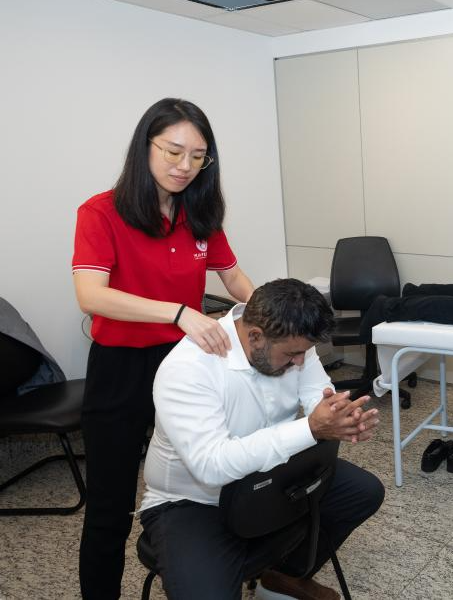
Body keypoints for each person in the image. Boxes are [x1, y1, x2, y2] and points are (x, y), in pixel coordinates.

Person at [72, 98, 256, 599]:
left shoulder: (200, 212)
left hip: (184, 365)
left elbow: (234, 277)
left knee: (215, 477)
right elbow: (91, 295)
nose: (185, 166)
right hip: (122, 367)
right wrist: (178, 312)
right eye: (174, 151)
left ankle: (219, 570)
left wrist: (275, 313)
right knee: (110, 504)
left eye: (198, 156)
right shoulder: (100, 212)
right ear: (145, 146)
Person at [138, 278, 384, 600]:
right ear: (255, 336)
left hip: (269, 476)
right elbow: (211, 467)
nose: (300, 361)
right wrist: (311, 428)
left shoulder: (292, 340)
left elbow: (317, 394)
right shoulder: (189, 368)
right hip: (194, 501)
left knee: (363, 492)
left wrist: (341, 416)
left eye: (304, 353)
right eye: (292, 354)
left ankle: (282, 576)